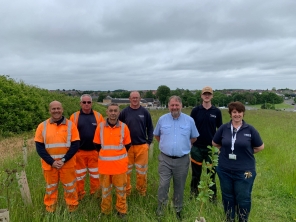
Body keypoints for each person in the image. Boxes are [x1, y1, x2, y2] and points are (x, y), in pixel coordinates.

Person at [212, 101, 264, 222]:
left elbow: (260, 147)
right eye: (234, 112)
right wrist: (224, 150)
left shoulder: (250, 129)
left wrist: (245, 153)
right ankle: (229, 219)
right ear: (230, 113)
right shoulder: (223, 128)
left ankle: (243, 219)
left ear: (243, 113)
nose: (237, 114)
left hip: (245, 171)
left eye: (239, 112)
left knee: (243, 197)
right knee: (227, 196)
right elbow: (215, 142)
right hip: (224, 169)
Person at [153, 96, 199, 221]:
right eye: (172, 105)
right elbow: (157, 135)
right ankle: (161, 210)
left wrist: (182, 146)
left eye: (177, 105)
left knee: (179, 186)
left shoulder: (189, 121)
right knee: (163, 185)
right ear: (168, 106)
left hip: (182, 160)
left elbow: (194, 137)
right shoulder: (162, 119)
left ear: (181, 106)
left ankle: (177, 210)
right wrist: (166, 145)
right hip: (165, 159)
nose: (174, 108)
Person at [34, 101, 80, 213]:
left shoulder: (71, 125)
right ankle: (50, 210)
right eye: (53, 109)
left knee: (70, 188)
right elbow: (39, 147)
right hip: (50, 166)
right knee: (51, 188)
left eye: (58, 108)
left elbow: (75, 145)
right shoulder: (42, 126)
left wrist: (63, 160)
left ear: (62, 109)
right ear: (49, 110)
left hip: (67, 164)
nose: (56, 111)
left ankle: (72, 209)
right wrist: (52, 162)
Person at [93, 103, 131, 219]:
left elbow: (127, 145)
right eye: (111, 110)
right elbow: (97, 145)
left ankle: (121, 211)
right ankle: (106, 211)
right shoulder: (100, 127)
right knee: (105, 191)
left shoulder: (124, 127)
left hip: (120, 167)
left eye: (115, 111)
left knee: (121, 190)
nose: (113, 113)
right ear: (107, 112)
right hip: (105, 167)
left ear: (119, 113)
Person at [190, 86, 222, 201]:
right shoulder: (195, 111)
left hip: (211, 149)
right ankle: (193, 195)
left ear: (212, 96)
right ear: (201, 96)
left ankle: (212, 197)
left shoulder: (217, 112)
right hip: (197, 148)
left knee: (211, 174)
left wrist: (219, 146)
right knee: (195, 174)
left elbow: (220, 129)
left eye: (209, 94)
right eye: (205, 94)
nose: (207, 96)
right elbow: (190, 128)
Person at [118, 91, 154, 196]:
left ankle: (141, 192)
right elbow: (118, 127)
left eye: (137, 98)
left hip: (142, 146)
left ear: (140, 99)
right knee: (126, 172)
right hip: (127, 147)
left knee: (142, 173)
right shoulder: (124, 112)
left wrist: (149, 142)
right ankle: (127, 192)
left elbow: (150, 128)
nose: (135, 100)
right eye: (133, 98)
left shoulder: (145, 112)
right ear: (129, 99)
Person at [70, 94, 104, 200]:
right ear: (80, 103)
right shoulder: (74, 116)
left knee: (96, 176)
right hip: (79, 152)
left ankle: (96, 196)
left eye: (88, 102)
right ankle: (80, 196)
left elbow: (103, 134)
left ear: (91, 103)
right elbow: (70, 135)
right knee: (79, 177)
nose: (86, 104)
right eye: (84, 102)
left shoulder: (98, 116)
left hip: (94, 152)